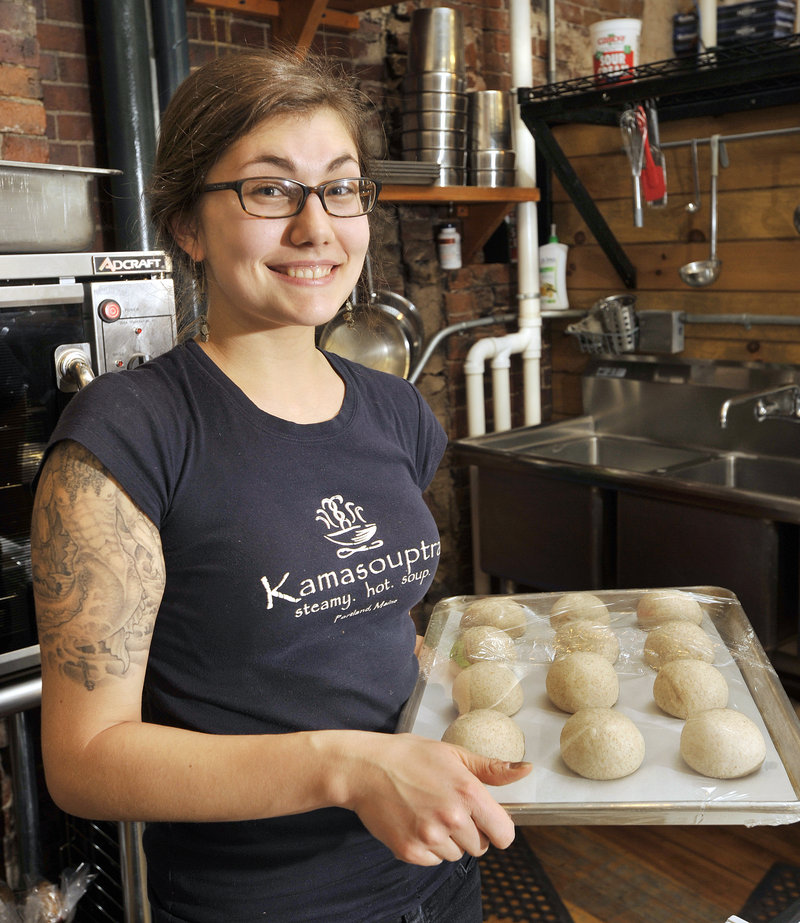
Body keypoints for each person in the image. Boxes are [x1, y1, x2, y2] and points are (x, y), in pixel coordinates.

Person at [29, 49, 531, 923]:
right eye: (270, 190)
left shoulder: (395, 411)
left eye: (341, 188)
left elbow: (370, 622)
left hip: (445, 866)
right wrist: (345, 767)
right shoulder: (129, 436)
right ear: (189, 223)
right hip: (270, 903)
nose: (317, 227)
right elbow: (85, 761)